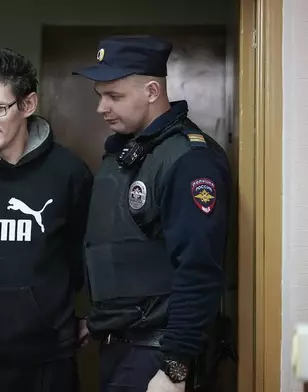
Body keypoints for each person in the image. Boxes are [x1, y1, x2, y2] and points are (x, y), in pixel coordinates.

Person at [72, 36, 232, 392]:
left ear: (151, 91)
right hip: (119, 347)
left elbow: (199, 268)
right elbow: (124, 255)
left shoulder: (189, 160)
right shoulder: (127, 153)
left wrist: (175, 368)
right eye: (100, 95)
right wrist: (98, 321)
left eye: (114, 96)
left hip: (157, 355)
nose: (102, 107)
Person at [0, 47, 93, 392]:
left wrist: (90, 317)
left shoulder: (68, 172)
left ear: (27, 105)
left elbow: (84, 254)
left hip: (48, 357)